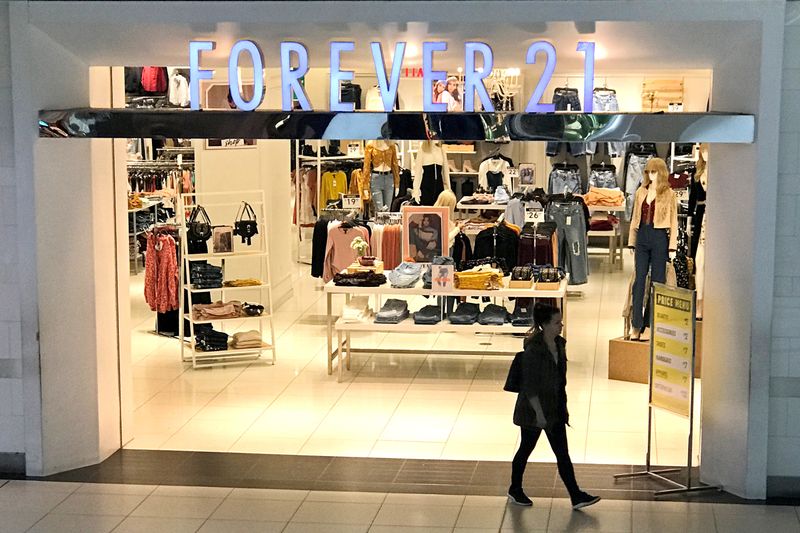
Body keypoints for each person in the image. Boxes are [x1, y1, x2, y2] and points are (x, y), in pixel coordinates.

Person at [507, 302, 600, 510]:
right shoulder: (534, 350)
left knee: (562, 454)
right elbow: (530, 387)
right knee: (525, 449)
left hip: (554, 408)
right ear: (545, 325)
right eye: (557, 322)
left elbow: (559, 380)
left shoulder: (559, 344)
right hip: (534, 412)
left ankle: (575, 495)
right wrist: (539, 414)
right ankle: (515, 489)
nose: (561, 326)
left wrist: (562, 407)